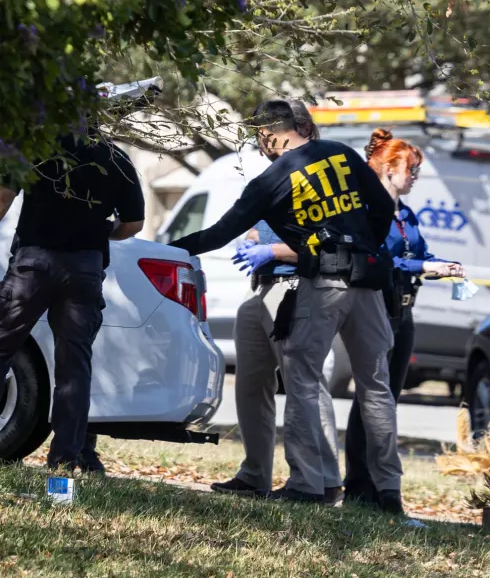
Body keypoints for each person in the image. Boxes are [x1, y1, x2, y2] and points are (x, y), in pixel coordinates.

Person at [171, 99, 405, 513]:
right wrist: (364, 244)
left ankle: (308, 483)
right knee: (375, 387)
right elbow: (384, 208)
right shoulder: (341, 153)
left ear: (268, 133)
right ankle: (389, 491)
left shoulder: (271, 180)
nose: (261, 147)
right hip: (368, 282)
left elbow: (217, 235)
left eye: (259, 138)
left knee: (302, 377)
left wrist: (164, 249)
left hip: (323, 284)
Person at [0, 130, 146, 471]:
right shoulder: (115, 157)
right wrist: (101, 232)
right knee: (74, 367)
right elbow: (133, 224)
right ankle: (65, 459)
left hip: (33, 266)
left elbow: (2, 196)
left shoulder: (35, 145)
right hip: (85, 270)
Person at [209, 105, 341, 504]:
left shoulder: (325, 173)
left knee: (305, 386)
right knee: (250, 386)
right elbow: (261, 220)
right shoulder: (274, 172)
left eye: (268, 134)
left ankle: (321, 479)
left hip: (299, 288)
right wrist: (252, 239)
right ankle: (254, 475)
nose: (262, 142)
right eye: (259, 135)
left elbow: (327, 241)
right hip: (261, 288)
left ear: (300, 128)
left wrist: (275, 251)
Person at [343, 128, 465, 504]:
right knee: (371, 396)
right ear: (389, 169)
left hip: (404, 310)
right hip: (377, 306)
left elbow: (419, 252)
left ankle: (377, 484)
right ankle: (360, 484)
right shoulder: (370, 209)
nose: (414, 177)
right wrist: (420, 266)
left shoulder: (406, 214)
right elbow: (379, 258)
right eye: (410, 170)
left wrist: (440, 264)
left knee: (389, 396)